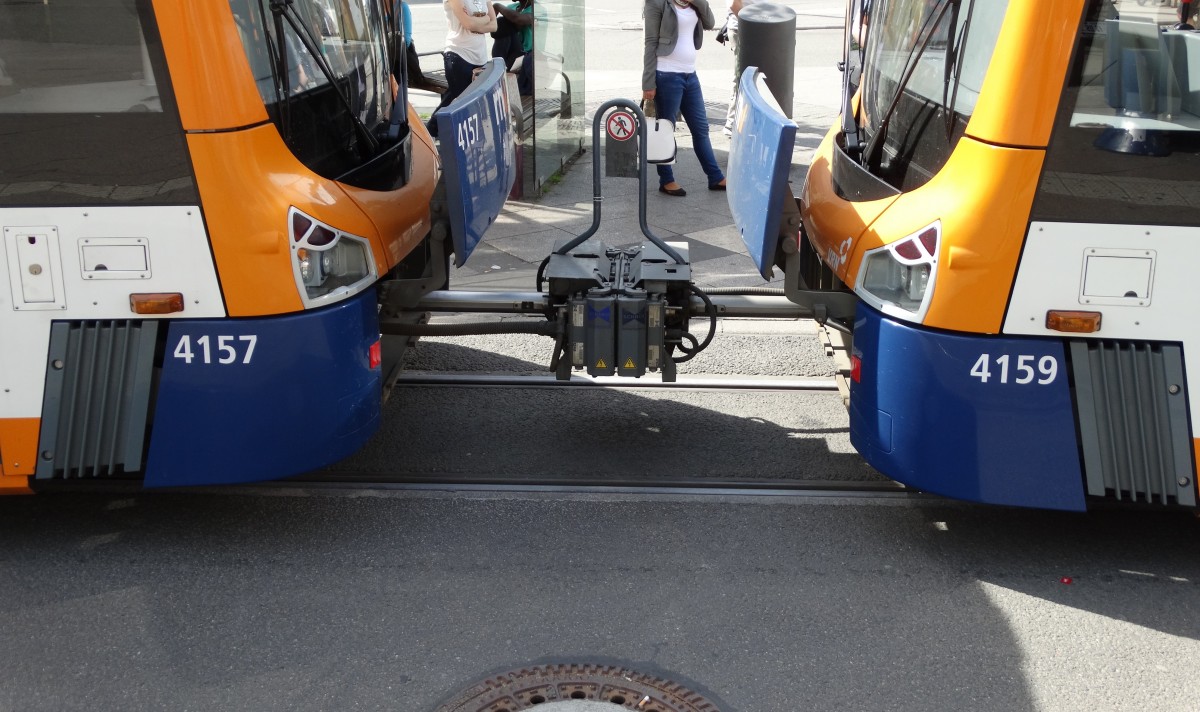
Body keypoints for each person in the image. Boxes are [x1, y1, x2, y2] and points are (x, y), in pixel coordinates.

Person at [643, 0, 726, 197]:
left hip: (690, 75)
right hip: (666, 75)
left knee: (701, 128)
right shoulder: (657, 3)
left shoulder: (693, 3)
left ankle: (715, 177)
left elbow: (710, 22)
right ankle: (666, 180)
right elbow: (650, 41)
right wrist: (648, 82)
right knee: (666, 129)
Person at [426, 0, 497, 137]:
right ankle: (435, 132)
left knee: (457, 99)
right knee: (463, 103)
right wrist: (486, 18)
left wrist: (479, 22)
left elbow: (494, 26)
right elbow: (468, 24)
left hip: (480, 58)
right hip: (458, 54)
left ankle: (432, 131)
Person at [721, 0, 763, 136]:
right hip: (744, 29)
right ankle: (732, 122)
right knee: (742, 77)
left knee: (751, 76)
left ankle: (746, 121)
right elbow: (734, 4)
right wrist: (750, 24)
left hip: (753, 27)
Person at [492, 0, 535, 96]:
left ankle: (499, 67)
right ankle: (499, 66)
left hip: (526, 55)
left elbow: (519, 19)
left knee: (505, 21)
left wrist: (497, 5)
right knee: (501, 22)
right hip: (509, 54)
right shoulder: (512, 7)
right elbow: (493, 27)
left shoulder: (537, 10)